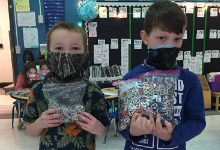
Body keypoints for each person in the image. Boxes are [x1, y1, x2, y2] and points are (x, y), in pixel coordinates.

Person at [117, 1, 206, 150]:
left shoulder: (190, 80)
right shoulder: (129, 79)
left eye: (176, 39)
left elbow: (197, 121)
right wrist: (132, 131)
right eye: (162, 38)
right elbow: (121, 123)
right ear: (145, 37)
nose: (169, 45)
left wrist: (171, 136)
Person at [23, 22, 109, 150]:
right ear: (49, 53)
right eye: (58, 48)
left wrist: (97, 128)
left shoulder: (93, 91)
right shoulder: (38, 90)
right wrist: (39, 123)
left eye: (75, 48)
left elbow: (102, 133)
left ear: (84, 54)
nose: (67, 54)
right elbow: (30, 131)